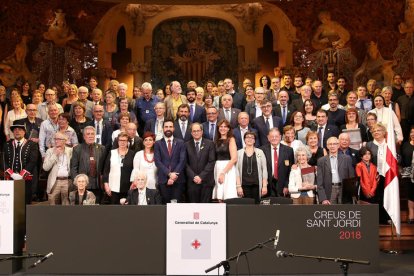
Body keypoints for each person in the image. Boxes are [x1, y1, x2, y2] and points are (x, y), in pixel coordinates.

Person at [3, 124, 39, 204]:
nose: (17, 131)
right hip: (10, 179)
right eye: (15, 130)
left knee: (26, 203)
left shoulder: (32, 144)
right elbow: (3, 160)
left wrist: (21, 174)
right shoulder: (7, 145)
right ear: (12, 132)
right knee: (10, 203)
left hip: (26, 180)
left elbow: (33, 161)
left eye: (20, 129)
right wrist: (11, 174)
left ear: (24, 132)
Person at [70, 126, 107, 203]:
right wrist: (77, 183)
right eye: (88, 134)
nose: (90, 136)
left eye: (92, 134)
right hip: (82, 186)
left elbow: (105, 168)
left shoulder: (102, 149)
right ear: (84, 136)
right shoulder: (77, 149)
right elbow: (73, 168)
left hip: (98, 185)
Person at [154, 119, 186, 203]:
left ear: (173, 129)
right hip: (163, 179)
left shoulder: (181, 143)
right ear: (163, 128)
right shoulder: (157, 144)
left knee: (176, 205)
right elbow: (157, 161)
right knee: (165, 205)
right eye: (166, 127)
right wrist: (169, 174)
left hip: (178, 179)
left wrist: (174, 175)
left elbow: (182, 160)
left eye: (170, 127)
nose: (168, 129)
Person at [317, 137, 355, 204]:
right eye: (330, 144)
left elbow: (351, 178)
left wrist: (352, 195)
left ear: (338, 145)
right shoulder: (321, 161)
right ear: (327, 146)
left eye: (334, 144)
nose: (332, 146)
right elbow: (319, 182)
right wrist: (323, 198)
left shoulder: (347, 158)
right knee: (331, 212)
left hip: (344, 190)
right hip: (329, 190)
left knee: (344, 212)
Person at [185, 123, 216, 203]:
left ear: (202, 131)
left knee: (205, 209)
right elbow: (185, 164)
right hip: (192, 182)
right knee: (193, 209)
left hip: (206, 181)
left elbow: (211, 162)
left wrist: (201, 176)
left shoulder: (210, 144)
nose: (196, 133)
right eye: (194, 131)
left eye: (198, 131)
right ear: (191, 133)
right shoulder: (186, 145)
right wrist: (194, 176)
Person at [260, 128, 294, 197]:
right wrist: (263, 185)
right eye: (272, 136)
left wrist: (286, 185)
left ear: (280, 137)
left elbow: (290, 170)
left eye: (276, 136)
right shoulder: (261, 150)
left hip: (283, 186)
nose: (274, 138)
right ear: (268, 138)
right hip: (267, 186)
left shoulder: (289, 150)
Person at [236, 131, 268, 203]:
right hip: (243, 185)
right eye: (247, 137)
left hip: (256, 185)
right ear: (244, 139)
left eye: (252, 138)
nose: (249, 139)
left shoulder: (260, 152)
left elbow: (264, 170)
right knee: (245, 208)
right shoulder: (239, 153)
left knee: (256, 208)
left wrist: (264, 186)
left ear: (254, 141)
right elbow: (236, 170)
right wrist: (238, 186)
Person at [103, 132, 134, 205]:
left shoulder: (132, 154)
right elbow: (106, 170)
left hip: (128, 188)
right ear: (118, 141)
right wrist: (106, 185)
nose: (122, 142)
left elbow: (134, 170)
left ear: (128, 142)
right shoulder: (112, 153)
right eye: (120, 140)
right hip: (113, 187)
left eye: (124, 140)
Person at [43, 132, 72, 205]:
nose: (56, 141)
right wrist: (55, 155)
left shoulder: (70, 151)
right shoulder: (50, 151)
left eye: (59, 139)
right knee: (53, 205)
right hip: (55, 181)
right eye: (55, 139)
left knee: (66, 204)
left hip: (67, 181)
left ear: (65, 141)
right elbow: (45, 168)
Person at [212, 119, 238, 201]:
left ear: (228, 129)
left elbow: (234, 158)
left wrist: (223, 172)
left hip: (228, 168)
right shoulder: (215, 141)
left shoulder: (231, 140)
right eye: (221, 126)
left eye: (225, 127)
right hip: (217, 167)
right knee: (219, 195)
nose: (223, 128)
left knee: (227, 194)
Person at [401, 127, 414, 223]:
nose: (413, 134)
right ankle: (411, 216)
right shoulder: (405, 145)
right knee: (410, 194)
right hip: (408, 174)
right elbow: (401, 159)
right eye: (412, 132)